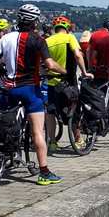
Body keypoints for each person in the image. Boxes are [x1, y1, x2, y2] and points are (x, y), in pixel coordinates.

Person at [0, 4, 66, 186]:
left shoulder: (6, 38)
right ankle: (44, 173)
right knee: (37, 132)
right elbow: (49, 64)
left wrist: (3, 67)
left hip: (9, 88)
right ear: (35, 21)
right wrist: (64, 71)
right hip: (30, 90)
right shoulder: (38, 40)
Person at [44, 16, 93, 153]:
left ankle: (52, 142)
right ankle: (77, 140)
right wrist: (84, 72)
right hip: (68, 81)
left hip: (52, 81)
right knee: (74, 110)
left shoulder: (47, 41)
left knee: (51, 112)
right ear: (67, 27)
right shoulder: (70, 38)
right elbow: (78, 55)